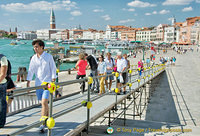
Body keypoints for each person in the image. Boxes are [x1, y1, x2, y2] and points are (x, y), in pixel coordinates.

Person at [27, 39, 57, 132]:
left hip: (47, 83)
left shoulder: (48, 57)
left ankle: (42, 123)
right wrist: (28, 82)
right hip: (38, 84)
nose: (35, 48)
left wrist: (53, 79)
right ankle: (47, 119)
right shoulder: (33, 58)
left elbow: (53, 68)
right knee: (43, 103)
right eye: (34, 47)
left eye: (36, 46)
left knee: (44, 102)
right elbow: (31, 70)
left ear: (42, 47)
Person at [0, 54, 8, 128]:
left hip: (1, 84)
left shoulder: (2, 58)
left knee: (1, 104)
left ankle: (1, 123)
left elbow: (3, 74)